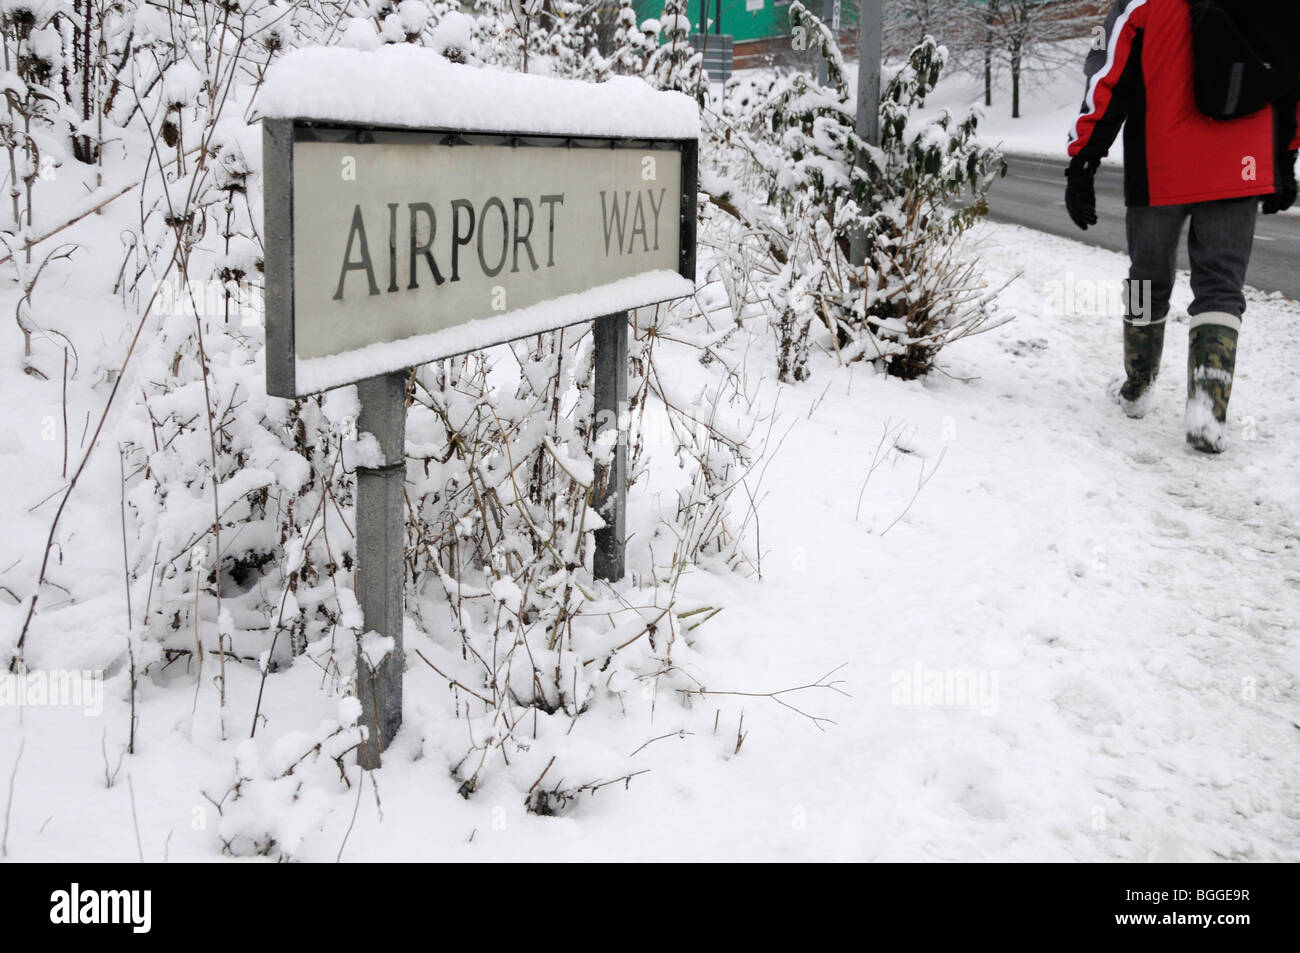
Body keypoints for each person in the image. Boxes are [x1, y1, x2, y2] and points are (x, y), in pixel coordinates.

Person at [1064, 0, 1300, 452]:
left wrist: (1084, 160)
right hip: (1241, 166)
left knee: (1144, 279)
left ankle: (1136, 385)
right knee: (1222, 289)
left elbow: (1108, 81)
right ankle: (1206, 414)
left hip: (1160, 165)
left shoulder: (1142, 5)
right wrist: (1284, 156)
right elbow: (1292, 76)